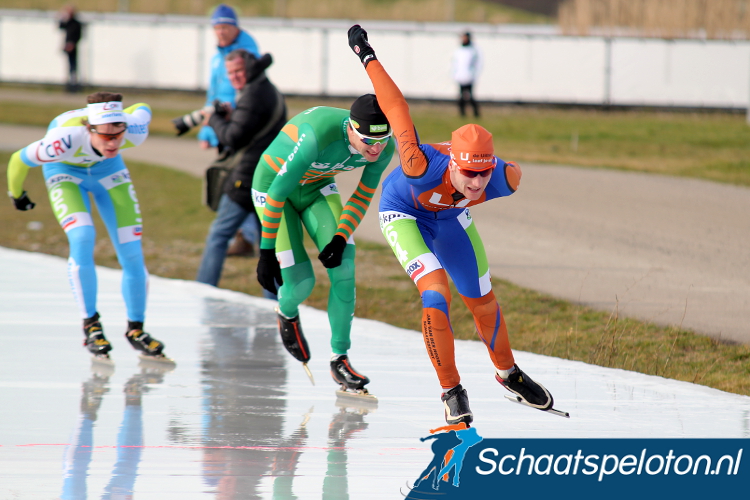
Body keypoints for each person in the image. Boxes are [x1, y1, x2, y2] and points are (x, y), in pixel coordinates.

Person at [347, 25, 555, 425]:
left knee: (482, 297)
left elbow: (487, 179)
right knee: (436, 291)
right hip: (404, 212)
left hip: (448, 218)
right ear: (454, 163)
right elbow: (396, 107)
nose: (476, 184)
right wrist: (365, 53)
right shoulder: (418, 164)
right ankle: (451, 389)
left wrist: (473, 189)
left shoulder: (505, 179)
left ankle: (508, 373)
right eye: (468, 175)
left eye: (483, 175)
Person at [6, 92, 170, 361]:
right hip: (65, 172)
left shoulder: (135, 131)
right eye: (106, 136)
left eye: (118, 134)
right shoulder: (61, 141)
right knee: (83, 237)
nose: (114, 141)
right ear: (88, 129)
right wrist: (17, 193)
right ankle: (91, 324)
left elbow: (143, 108)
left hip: (109, 170)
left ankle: (136, 329)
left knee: (131, 251)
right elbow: (18, 159)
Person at [253, 95, 396, 393]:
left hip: (317, 186)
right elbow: (278, 192)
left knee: (345, 265)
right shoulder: (317, 134)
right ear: (352, 130)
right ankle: (286, 311)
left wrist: (341, 236)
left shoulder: (383, 146)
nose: (376, 148)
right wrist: (266, 251)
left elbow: (362, 195)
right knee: (301, 282)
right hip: (273, 189)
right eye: (369, 140)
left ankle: (339, 358)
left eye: (383, 139)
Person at [196, 48, 286, 298]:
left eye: (238, 71)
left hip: (247, 178)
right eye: (230, 73)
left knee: (219, 235)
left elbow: (233, 137)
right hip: (268, 177)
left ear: (249, 69)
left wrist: (213, 119)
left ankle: (202, 292)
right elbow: (248, 128)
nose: (234, 77)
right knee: (266, 244)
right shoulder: (264, 88)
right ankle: (276, 304)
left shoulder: (254, 94)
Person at [200, 4, 262, 258]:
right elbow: (213, 92)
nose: (221, 32)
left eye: (225, 26)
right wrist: (207, 132)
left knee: (236, 184)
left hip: (238, 126)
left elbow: (246, 95)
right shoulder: (219, 55)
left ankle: (248, 237)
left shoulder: (246, 53)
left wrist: (227, 123)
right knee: (235, 184)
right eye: (217, 27)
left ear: (235, 27)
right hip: (222, 124)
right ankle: (246, 237)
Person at [452, 31, 480, 117]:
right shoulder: (459, 50)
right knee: (461, 97)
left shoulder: (473, 50)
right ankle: (462, 113)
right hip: (460, 76)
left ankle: (476, 113)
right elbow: (455, 63)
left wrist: (474, 74)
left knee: (470, 96)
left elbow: (476, 64)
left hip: (469, 77)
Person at [58, 4, 83, 93]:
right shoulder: (67, 22)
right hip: (67, 47)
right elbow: (60, 26)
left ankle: (73, 86)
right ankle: (68, 85)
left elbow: (79, 36)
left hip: (73, 48)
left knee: (73, 67)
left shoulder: (76, 24)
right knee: (68, 67)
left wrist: (73, 44)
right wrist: (63, 17)